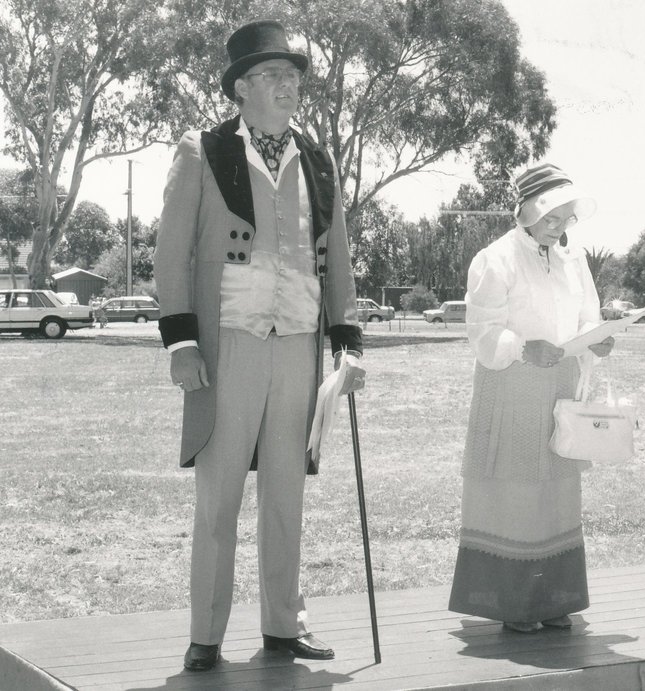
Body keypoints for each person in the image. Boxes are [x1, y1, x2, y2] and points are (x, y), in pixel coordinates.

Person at [153, 20, 365, 672]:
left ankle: (282, 624)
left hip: (297, 347)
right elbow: (171, 252)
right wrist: (182, 339)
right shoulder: (204, 149)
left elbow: (338, 263)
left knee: (285, 493)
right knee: (218, 499)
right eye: (274, 76)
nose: (289, 88)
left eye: (295, 78)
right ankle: (206, 635)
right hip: (230, 347)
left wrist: (347, 342)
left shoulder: (318, 159)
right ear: (241, 88)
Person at [448, 163, 614, 633]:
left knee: (558, 493)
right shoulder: (494, 259)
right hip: (513, 386)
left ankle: (553, 599)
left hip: (561, 386)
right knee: (516, 492)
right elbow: (483, 335)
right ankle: (514, 603)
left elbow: (586, 315)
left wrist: (596, 338)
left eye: (566, 218)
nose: (559, 228)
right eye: (551, 217)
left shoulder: (573, 258)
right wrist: (523, 347)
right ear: (524, 211)